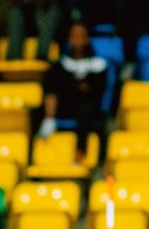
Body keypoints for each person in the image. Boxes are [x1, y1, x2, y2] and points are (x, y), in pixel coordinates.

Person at [37, 21, 108, 161]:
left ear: (87, 39)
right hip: (65, 105)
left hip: (88, 108)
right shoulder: (60, 65)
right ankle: (37, 150)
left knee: (85, 107)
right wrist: (76, 87)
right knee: (38, 108)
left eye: (81, 36)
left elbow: (95, 90)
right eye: (74, 36)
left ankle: (80, 152)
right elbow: (55, 87)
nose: (77, 40)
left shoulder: (98, 65)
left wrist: (73, 87)